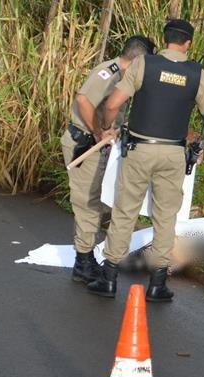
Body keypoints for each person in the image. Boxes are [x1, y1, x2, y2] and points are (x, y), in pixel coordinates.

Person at [87, 19, 204, 302]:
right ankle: (157, 284)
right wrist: (200, 146)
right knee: (165, 217)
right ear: (188, 43)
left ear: (164, 39)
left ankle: (109, 278)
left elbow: (113, 104)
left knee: (126, 210)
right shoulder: (197, 74)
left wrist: (107, 128)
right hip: (173, 154)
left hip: (140, 148)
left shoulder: (144, 65)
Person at [60, 35, 156, 283]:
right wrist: (97, 131)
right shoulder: (109, 73)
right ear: (139, 60)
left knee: (96, 203)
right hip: (86, 144)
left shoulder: (123, 77)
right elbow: (83, 99)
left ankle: (86, 255)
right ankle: (83, 261)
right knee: (87, 203)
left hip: (100, 145)